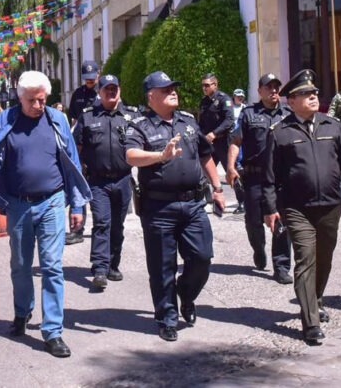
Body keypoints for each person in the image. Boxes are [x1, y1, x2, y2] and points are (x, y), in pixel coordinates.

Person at [0, 71, 90, 358]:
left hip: (52, 201)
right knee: (20, 264)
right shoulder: (6, 120)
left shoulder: (57, 119)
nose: (39, 105)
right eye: (32, 101)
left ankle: (53, 331)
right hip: (18, 205)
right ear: (20, 98)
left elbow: (72, 161)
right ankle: (22, 311)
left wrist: (77, 206)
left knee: (52, 266)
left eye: (42, 99)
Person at [261, 70, 341, 345]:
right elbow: (269, 176)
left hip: (330, 206)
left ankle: (315, 299)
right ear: (292, 101)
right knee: (305, 258)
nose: (313, 97)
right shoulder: (280, 133)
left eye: (315, 93)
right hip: (297, 208)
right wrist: (270, 209)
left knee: (324, 259)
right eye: (306, 94)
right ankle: (311, 323)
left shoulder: (333, 126)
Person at [125, 71, 226, 342]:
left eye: (173, 88)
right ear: (151, 97)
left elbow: (205, 156)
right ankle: (167, 318)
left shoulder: (188, 121)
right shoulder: (140, 126)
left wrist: (218, 188)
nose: (173, 92)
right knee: (162, 267)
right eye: (166, 89)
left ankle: (186, 294)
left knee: (202, 257)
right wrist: (161, 155)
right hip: (159, 207)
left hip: (193, 204)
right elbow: (131, 156)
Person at [73, 74, 140, 290]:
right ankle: (100, 268)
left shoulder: (132, 116)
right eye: (106, 89)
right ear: (99, 92)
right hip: (97, 181)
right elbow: (76, 149)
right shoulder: (88, 116)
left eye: (114, 89)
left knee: (117, 226)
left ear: (119, 91)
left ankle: (113, 264)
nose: (111, 92)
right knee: (102, 222)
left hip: (123, 179)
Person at [227, 73, 293, 283]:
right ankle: (258, 248)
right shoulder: (249, 114)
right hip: (255, 176)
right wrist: (230, 167)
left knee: (281, 221)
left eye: (276, 87)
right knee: (253, 221)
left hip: (280, 178)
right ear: (259, 91)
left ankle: (281, 267)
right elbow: (236, 141)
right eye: (268, 87)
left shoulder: (288, 114)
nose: (273, 90)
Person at [65, 60, 100, 245]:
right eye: (87, 78)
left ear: (98, 74)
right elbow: (73, 120)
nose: (90, 81)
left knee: (97, 191)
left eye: (92, 78)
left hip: (97, 148)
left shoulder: (104, 93)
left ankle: (101, 229)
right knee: (77, 187)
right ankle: (77, 230)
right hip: (79, 147)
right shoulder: (78, 94)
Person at [199, 73, 235, 168]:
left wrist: (214, 133)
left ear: (215, 85)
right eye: (203, 85)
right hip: (209, 143)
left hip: (223, 141)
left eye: (207, 85)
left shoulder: (224, 99)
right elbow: (202, 122)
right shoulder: (204, 101)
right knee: (205, 172)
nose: (204, 88)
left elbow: (229, 120)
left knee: (231, 171)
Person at [230, 88, 247, 214]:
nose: (240, 98)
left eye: (241, 96)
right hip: (228, 138)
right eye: (238, 96)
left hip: (240, 138)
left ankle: (242, 201)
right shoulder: (229, 108)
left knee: (238, 165)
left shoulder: (246, 108)